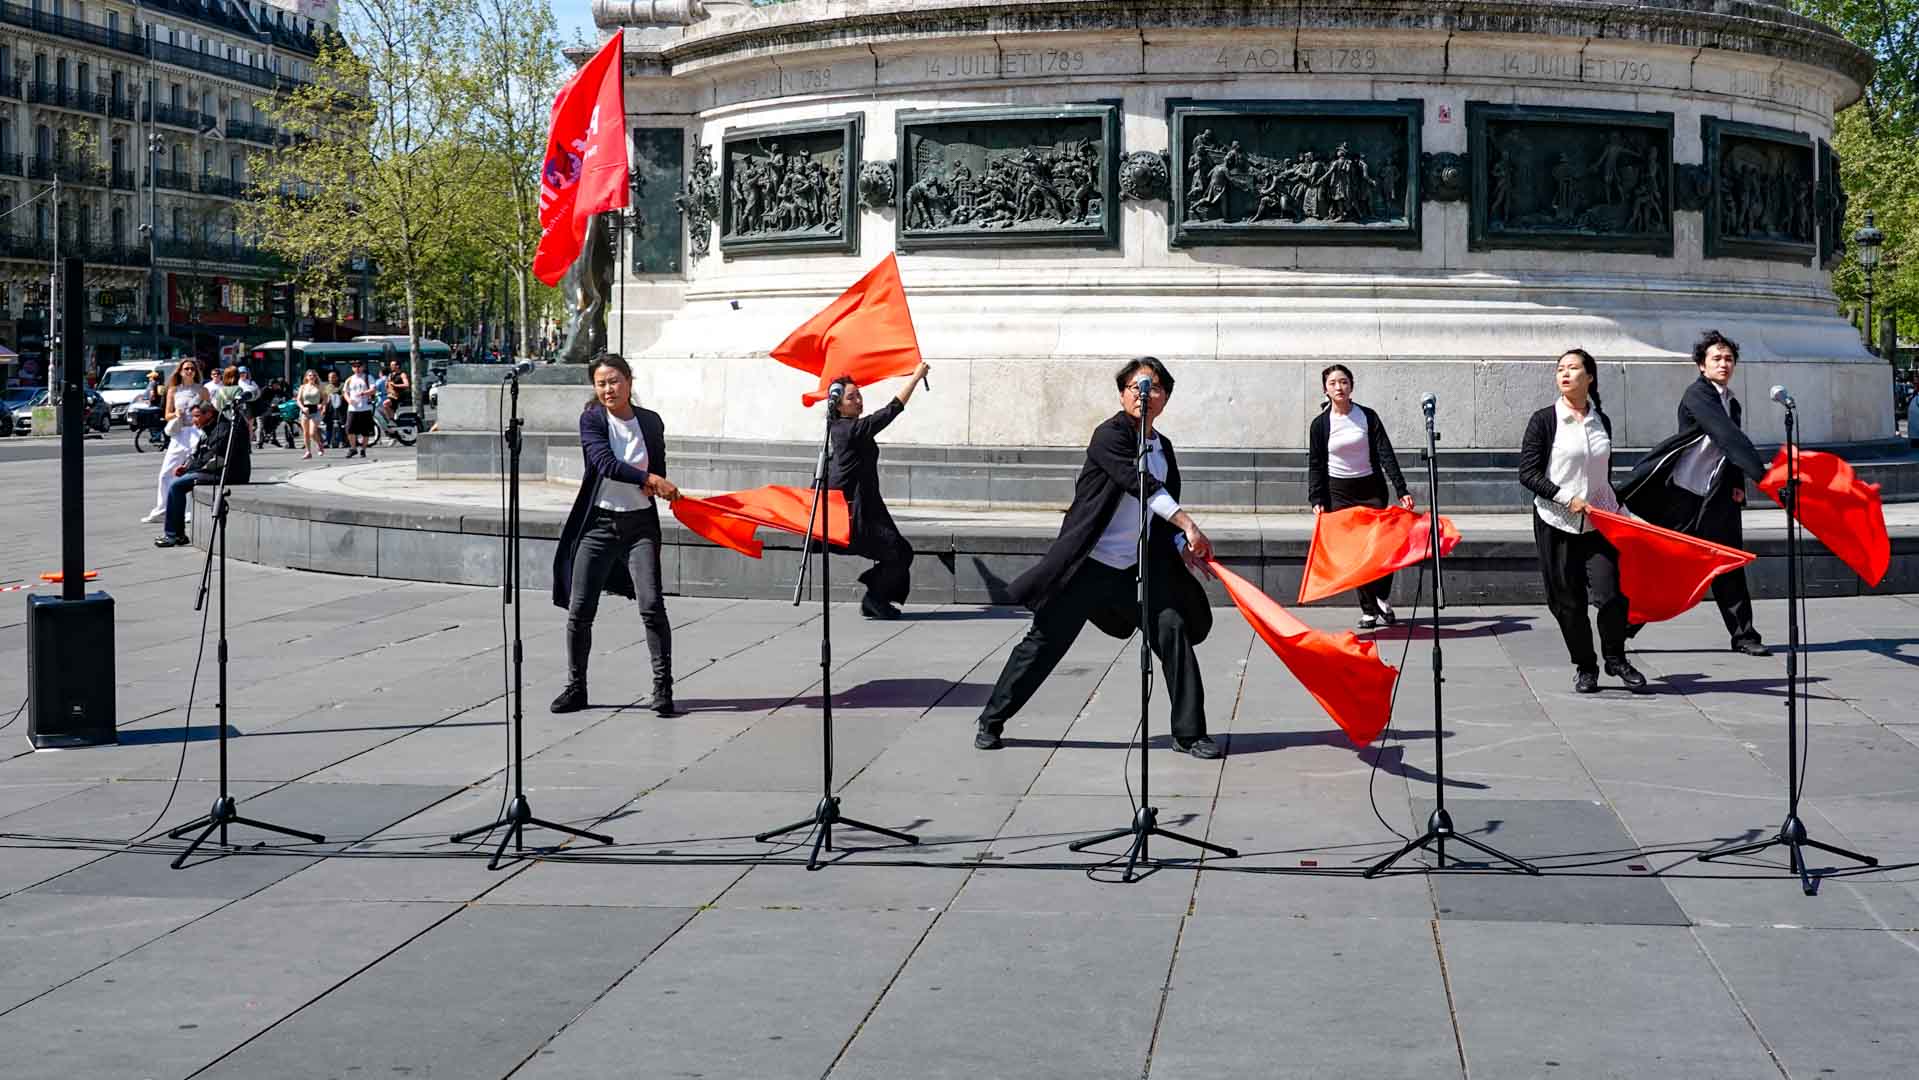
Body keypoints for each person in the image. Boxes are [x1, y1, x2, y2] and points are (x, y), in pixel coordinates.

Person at [974, 357, 1223, 758]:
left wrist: (1181, 543)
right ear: (1123, 395)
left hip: (1134, 570)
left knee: (1172, 629)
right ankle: (992, 719)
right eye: (1136, 387)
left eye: (1154, 388)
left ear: (1165, 398)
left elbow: (1159, 510)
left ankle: (1190, 733)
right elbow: (1139, 483)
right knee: (1044, 643)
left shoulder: (1163, 448)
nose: (1144, 395)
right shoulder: (1109, 436)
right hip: (1086, 567)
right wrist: (1189, 524)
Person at [1618, 330, 1770, 656]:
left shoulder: (1732, 402)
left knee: (1728, 563)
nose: (1724, 364)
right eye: (1716, 358)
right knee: (1666, 568)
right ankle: (1622, 627)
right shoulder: (1698, 395)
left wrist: (1737, 487)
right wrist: (1767, 478)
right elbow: (1728, 437)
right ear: (1702, 365)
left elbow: (1728, 451)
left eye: (1729, 359)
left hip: (1717, 496)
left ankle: (1744, 636)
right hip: (1684, 496)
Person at [550, 353, 681, 716]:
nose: (608, 389)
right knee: (580, 610)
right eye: (601, 383)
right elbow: (604, 464)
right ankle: (576, 687)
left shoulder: (650, 421)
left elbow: (658, 467)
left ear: (629, 381)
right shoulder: (592, 419)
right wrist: (648, 479)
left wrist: (658, 485)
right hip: (598, 525)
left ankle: (663, 687)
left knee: (652, 606)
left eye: (614, 381)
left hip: (640, 526)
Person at [1518, 350, 1648, 693]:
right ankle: (1586, 666)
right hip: (1555, 521)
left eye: (1573, 368)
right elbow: (1528, 473)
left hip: (1598, 522)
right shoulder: (1544, 420)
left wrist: (1623, 514)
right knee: (1567, 601)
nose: (1564, 374)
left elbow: (1603, 477)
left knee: (1612, 594)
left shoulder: (1601, 420)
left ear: (1589, 377)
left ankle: (1615, 658)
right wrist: (1565, 497)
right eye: (1560, 369)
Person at [1307, 364, 1415, 629]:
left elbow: (1385, 453)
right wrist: (1316, 498)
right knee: (1355, 554)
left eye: (1344, 382)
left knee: (1381, 547)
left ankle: (1381, 596)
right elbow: (1316, 464)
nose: (1339, 387)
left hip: (1371, 490)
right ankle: (1369, 611)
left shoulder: (1367, 416)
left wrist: (1401, 489)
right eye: (1333, 383)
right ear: (1325, 390)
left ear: (1351, 386)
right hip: (1339, 493)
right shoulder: (1320, 425)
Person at [826, 362, 931, 619]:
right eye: (851, 397)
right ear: (838, 406)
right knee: (899, 552)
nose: (858, 400)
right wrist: (915, 378)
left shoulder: (849, 428)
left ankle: (875, 597)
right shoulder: (848, 430)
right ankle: (875, 598)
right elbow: (890, 411)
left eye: (859, 395)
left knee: (899, 552)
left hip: (870, 505)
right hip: (857, 512)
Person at [153, 398, 250, 548]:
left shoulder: (223, 429)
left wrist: (190, 469)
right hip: (215, 470)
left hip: (228, 473)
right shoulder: (208, 429)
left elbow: (212, 459)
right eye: (193, 416)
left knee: (176, 486)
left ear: (209, 414)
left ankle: (173, 535)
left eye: (197, 416)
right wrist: (186, 466)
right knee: (177, 484)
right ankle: (177, 534)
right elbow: (198, 453)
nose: (194, 420)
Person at [143, 358, 209, 524]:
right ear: (180, 371)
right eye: (186, 369)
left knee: (191, 471)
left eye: (192, 369)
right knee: (166, 473)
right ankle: (162, 509)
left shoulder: (202, 390)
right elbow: (167, 414)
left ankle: (189, 511)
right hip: (179, 433)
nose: (189, 371)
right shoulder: (173, 390)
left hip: (196, 431)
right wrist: (176, 414)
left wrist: (199, 416)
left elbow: (209, 412)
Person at [343, 358, 375, 458]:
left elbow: (373, 390)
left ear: (363, 367)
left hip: (365, 407)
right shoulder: (349, 379)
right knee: (349, 429)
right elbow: (345, 392)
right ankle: (353, 448)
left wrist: (364, 393)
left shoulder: (368, 377)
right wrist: (349, 400)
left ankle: (363, 449)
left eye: (359, 366)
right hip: (353, 408)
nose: (357, 368)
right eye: (354, 366)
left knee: (366, 431)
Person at [296, 369, 327, 459]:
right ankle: (308, 452)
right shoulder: (303, 387)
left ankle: (319, 444)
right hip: (305, 411)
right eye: (310, 375)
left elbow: (325, 398)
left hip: (315, 410)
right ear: (306, 377)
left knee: (312, 432)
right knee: (305, 433)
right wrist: (302, 408)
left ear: (316, 377)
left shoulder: (319, 387)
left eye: (314, 375)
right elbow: (298, 400)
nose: (312, 377)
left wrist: (321, 405)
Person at [324, 370, 347, 448]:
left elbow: (344, 395)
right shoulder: (327, 387)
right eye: (329, 377)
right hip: (330, 409)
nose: (331, 379)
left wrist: (337, 396)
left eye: (333, 377)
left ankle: (343, 441)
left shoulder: (342, 385)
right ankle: (328, 441)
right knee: (329, 425)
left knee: (341, 425)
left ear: (337, 377)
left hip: (341, 409)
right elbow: (325, 398)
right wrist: (324, 408)